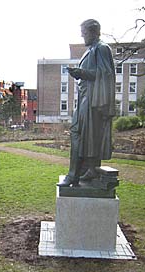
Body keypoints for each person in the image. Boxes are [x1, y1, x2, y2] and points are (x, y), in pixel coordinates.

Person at [58, 19, 115, 187]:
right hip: (85, 98)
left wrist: (81, 73)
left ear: (93, 32)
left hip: (93, 101)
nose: (82, 35)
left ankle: (74, 175)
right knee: (85, 136)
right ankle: (89, 170)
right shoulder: (91, 50)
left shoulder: (101, 48)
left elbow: (106, 74)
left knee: (79, 134)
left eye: (84, 32)